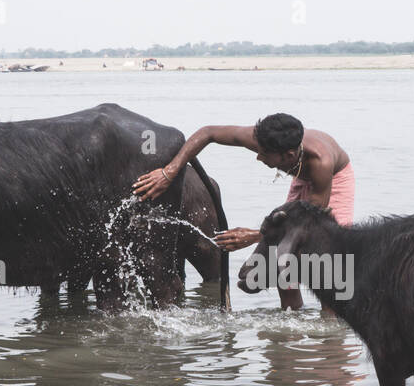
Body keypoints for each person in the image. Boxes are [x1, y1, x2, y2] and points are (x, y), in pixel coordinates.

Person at [132, 113, 355, 310]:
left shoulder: (321, 164)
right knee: (283, 258)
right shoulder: (264, 139)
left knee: (328, 260)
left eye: (264, 154)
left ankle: (331, 330)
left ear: (288, 156)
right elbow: (208, 133)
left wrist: (252, 236)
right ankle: (290, 320)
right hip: (301, 177)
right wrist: (169, 172)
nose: (258, 157)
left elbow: (309, 222)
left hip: (333, 183)